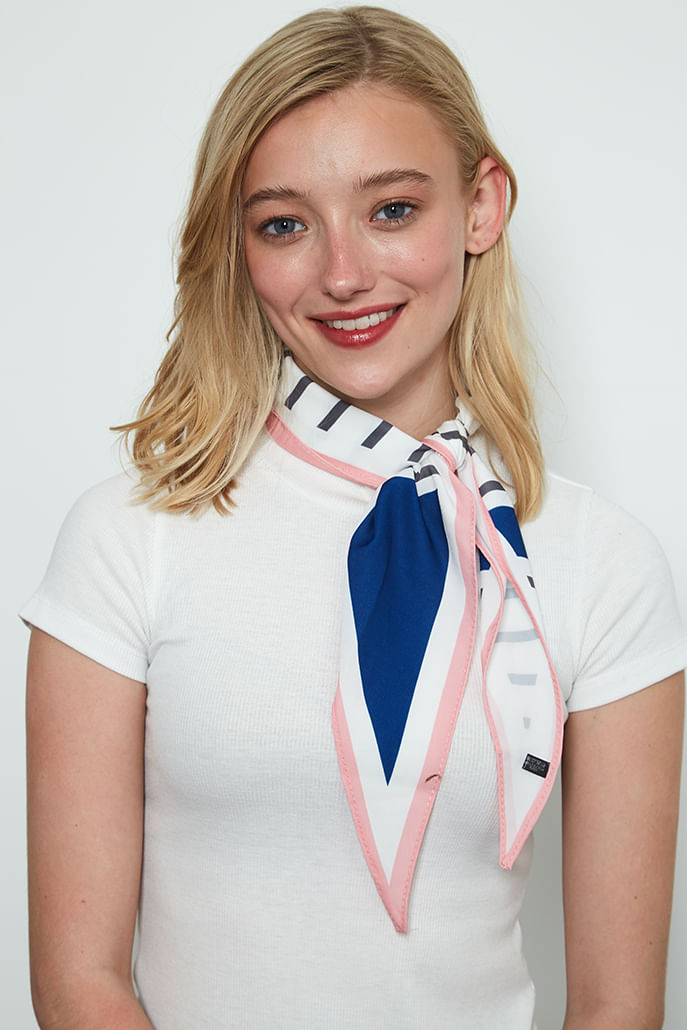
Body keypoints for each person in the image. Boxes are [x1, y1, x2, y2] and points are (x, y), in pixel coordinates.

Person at [22, 6, 686, 1029]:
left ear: (481, 206)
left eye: (392, 209)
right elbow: (80, 984)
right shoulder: (127, 538)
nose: (342, 274)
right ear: (240, 246)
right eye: (285, 224)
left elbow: (615, 1007)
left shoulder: (603, 562)